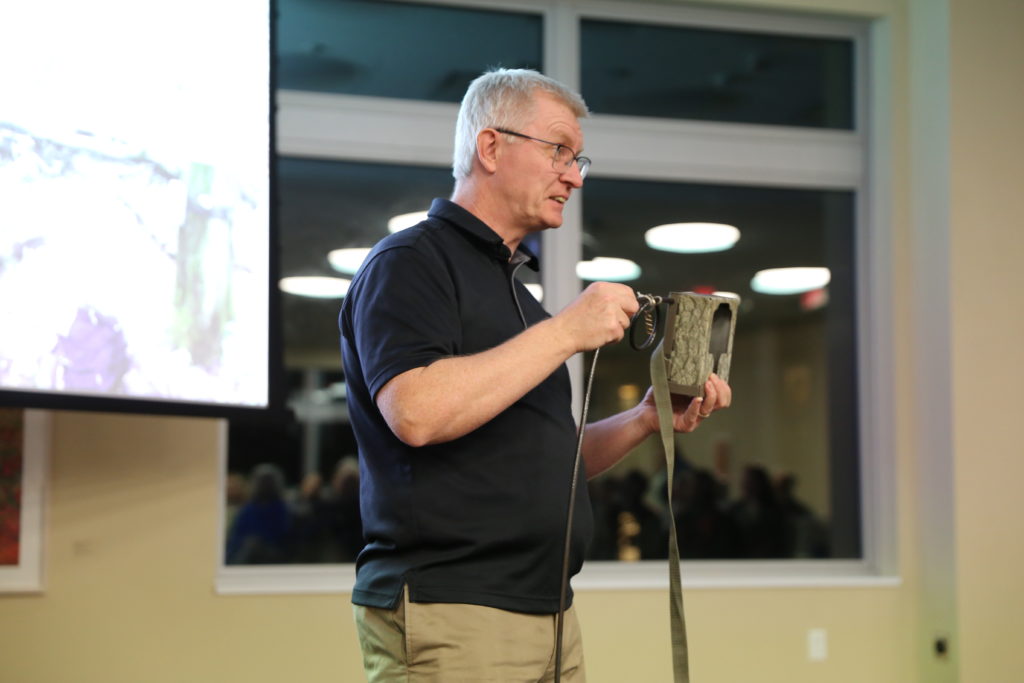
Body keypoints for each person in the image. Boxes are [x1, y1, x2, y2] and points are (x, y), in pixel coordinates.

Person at [339, 68, 732, 682]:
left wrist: (644, 419)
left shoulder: (521, 298)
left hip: (549, 612)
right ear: (491, 147)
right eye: (558, 151)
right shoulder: (409, 263)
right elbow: (415, 413)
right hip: (456, 613)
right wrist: (568, 331)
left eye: (579, 159)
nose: (574, 175)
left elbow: (548, 456)